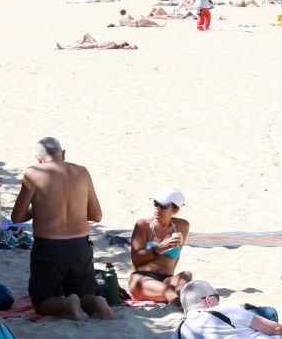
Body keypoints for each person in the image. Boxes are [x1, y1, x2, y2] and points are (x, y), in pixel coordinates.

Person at [11, 136, 115, 320]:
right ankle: (96, 301)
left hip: (49, 248)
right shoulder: (82, 172)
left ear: (39, 159)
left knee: (42, 302)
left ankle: (67, 303)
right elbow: (96, 215)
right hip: (80, 246)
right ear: (63, 153)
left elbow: (17, 217)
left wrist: (38, 210)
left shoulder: (34, 173)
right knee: (85, 295)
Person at [128, 187, 191, 305]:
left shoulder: (182, 226)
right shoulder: (143, 225)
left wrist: (171, 277)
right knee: (169, 291)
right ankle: (184, 303)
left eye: (163, 206)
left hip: (166, 279)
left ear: (175, 209)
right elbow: (136, 259)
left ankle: (182, 297)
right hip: (141, 278)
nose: (157, 208)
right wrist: (161, 247)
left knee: (186, 275)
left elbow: (176, 257)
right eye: (155, 203)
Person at [56, 32, 136, 50]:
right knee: (86, 34)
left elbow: (104, 49)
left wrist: (97, 49)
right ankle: (77, 43)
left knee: (79, 46)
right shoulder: (115, 44)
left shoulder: (114, 45)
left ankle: (63, 47)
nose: (121, 41)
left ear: (123, 45)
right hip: (95, 43)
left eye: (122, 42)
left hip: (94, 45)